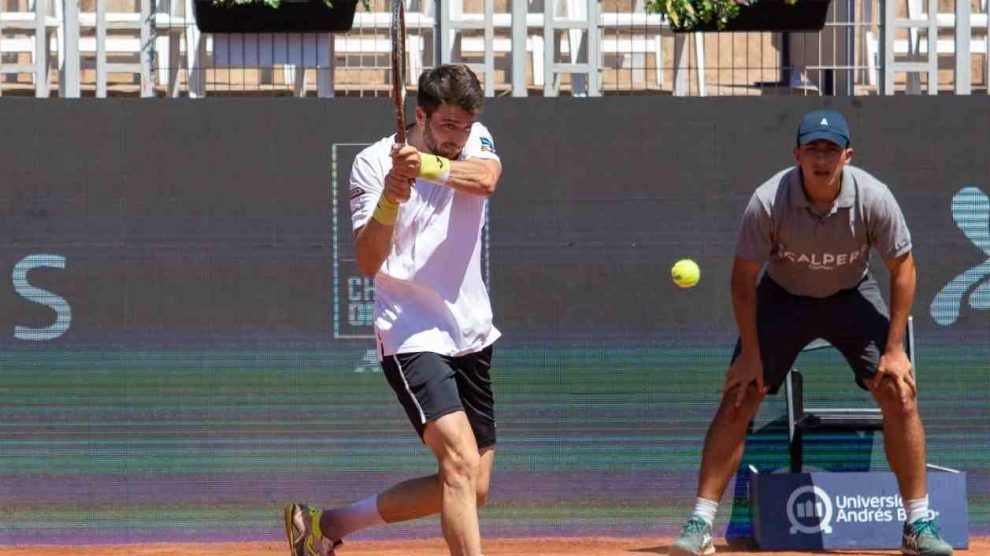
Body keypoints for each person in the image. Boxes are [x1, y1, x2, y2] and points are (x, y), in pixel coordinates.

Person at [670, 110, 953, 556]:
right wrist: (750, 354)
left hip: (851, 295)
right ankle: (700, 524)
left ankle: (918, 525)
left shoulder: (874, 198)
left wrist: (895, 349)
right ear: (797, 154)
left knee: (899, 391)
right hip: (782, 297)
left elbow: (904, 269)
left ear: (848, 156)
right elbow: (743, 280)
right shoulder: (768, 201)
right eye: (813, 149)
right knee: (740, 394)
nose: (822, 158)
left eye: (831, 149)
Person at [284, 64, 502, 556]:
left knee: (473, 484)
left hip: (471, 330)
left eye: (465, 127)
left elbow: (486, 180)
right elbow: (367, 260)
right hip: (410, 333)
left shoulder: (473, 141)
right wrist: (389, 197)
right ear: (420, 115)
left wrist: (426, 167)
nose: (457, 137)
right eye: (448, 126)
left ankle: (325, 525)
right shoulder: (370, 163)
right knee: (461, 464)